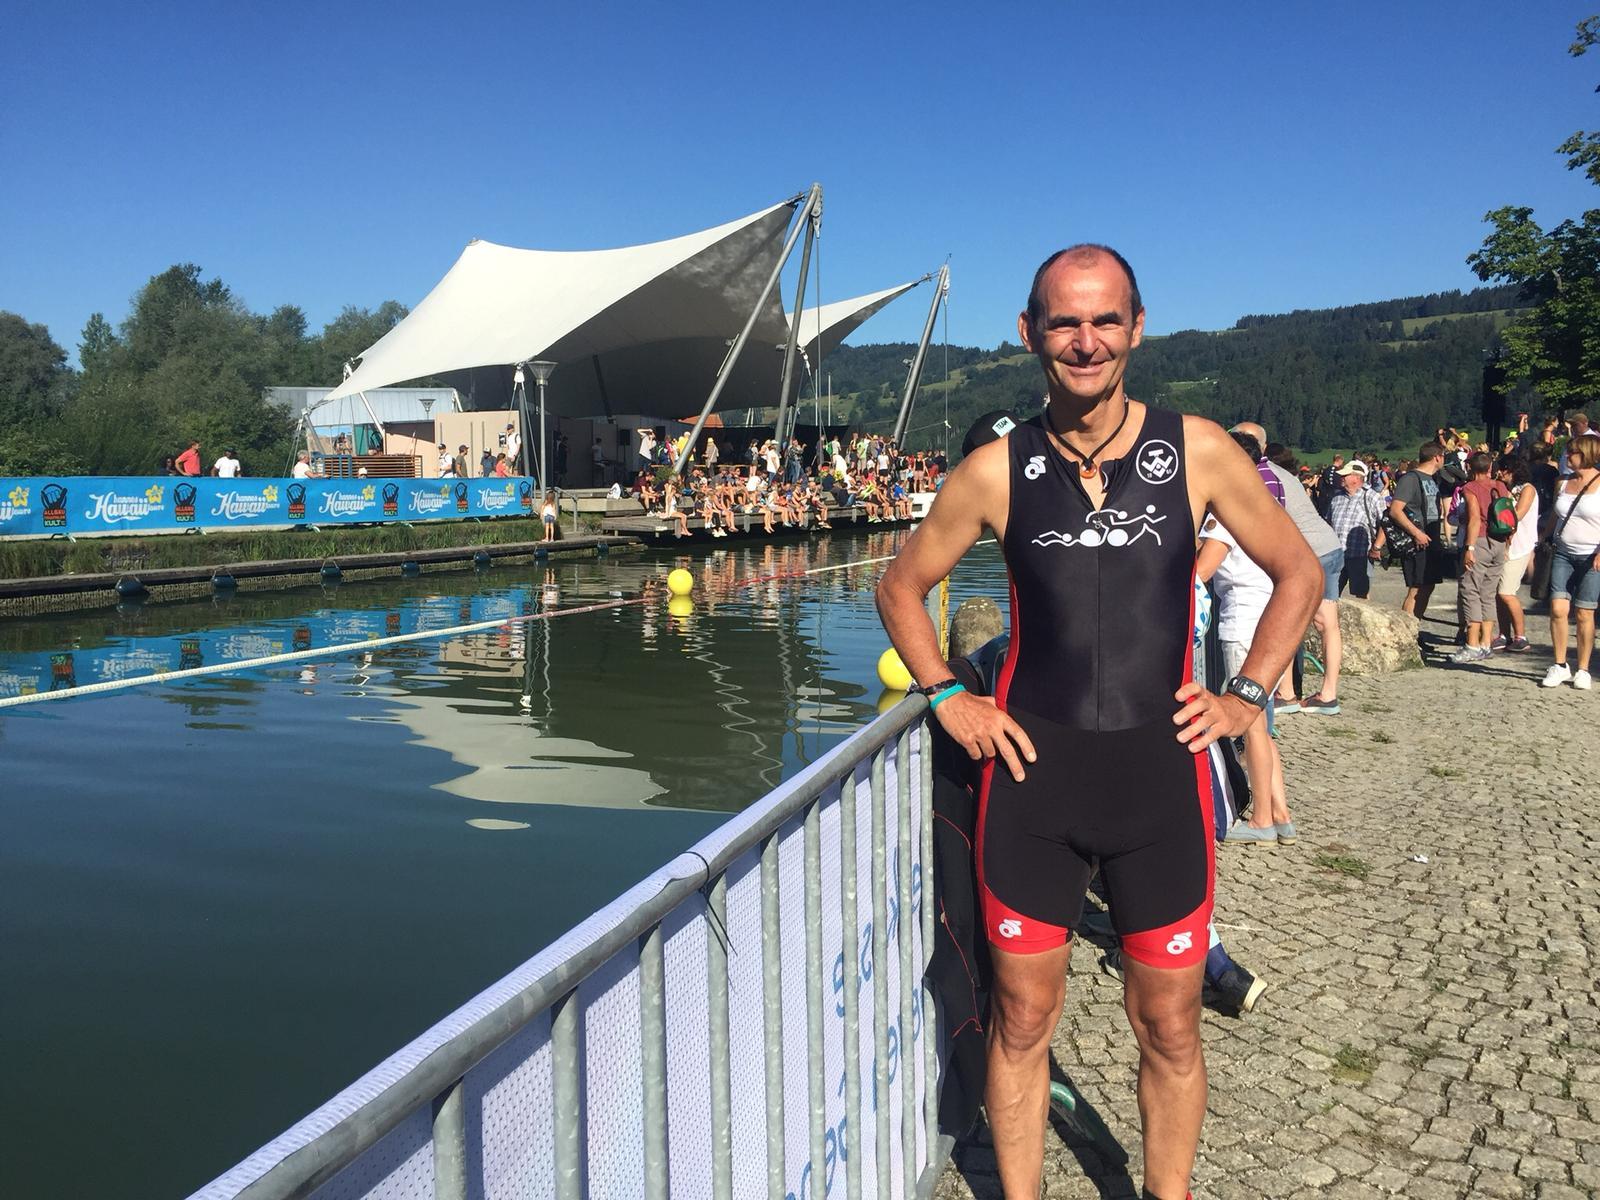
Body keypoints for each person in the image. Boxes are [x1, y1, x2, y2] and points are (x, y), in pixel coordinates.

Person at [876, 244, 1319, 1200]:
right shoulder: (995, 471)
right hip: (1034, 786)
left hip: (1160, 784)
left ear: (1137, 327)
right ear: (1030, 332)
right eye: (1065, 321)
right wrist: (948, 695)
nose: (1087, 341)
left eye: (1105, 319)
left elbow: (1299, 573)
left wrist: (1246, 694)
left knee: (1171, 1027)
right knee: (1022, 1023)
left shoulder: (1198, 449)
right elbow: (900, 586)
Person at [1254, 435, 1345, 715]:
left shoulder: (1262, 476)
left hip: (1306, 553)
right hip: (1329, 546)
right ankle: (1328, 694)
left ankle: (1286, 692)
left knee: (1287, 619)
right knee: (1328, 624)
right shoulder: (1284, 474)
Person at [1540, 434, 1600, 689]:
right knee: (1558, 609)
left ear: (1586, 454)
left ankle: (1583, 669)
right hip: (1562, 552)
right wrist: (1542, 538)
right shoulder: (1563, 482)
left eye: (1572, 452)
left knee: (1585, 613)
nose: (1567, 456)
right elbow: (1557, 514)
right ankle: (1560, 664)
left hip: (1591, 556)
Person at [1453, 452, 1511, 663]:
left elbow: (1475, 518)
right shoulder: (1501, 486)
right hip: (1499, 542)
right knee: (1488, 593)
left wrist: (1469, 547)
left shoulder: (1470, 488)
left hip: (1480, 541)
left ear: (1470, 468)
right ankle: (1486, 642)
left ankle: (1472, 644)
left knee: (1470, 589)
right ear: (1490, 468)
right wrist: (1507, 543)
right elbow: (1509, 515)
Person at [1389, 441, 1449, 623]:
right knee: (1416, 588)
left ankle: (1415, 627)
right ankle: (1405, 629)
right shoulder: (1411, 479)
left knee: (1427, 586)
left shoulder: (1433, 479)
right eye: (1443, 456)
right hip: (1418, 539)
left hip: (1431, 537)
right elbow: (1395, 510)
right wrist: (1416, 533)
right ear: (1437, 457)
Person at [1492, 455, 1538, 652]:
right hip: (1502, 545)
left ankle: (1521, 636)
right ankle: (1504, 634)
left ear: (1512, 470)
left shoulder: (1527, 489)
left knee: (1507, 592)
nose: (1500, 472)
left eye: (1503, 468)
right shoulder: (1504, 488)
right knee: (1498, 594)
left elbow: (1517, 514)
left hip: (1520, 545)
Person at [1326, 459, 1387, 602]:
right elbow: (1328, 523)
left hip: (1360, 555)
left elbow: (1385, 525)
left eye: (1345, 475)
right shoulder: (1336, 497)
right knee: (1329, 595)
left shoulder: (1372, 497)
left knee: (1361, 595)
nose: (1341, 477)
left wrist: (1377, 547)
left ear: (1356, 477)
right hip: (1336, 556)